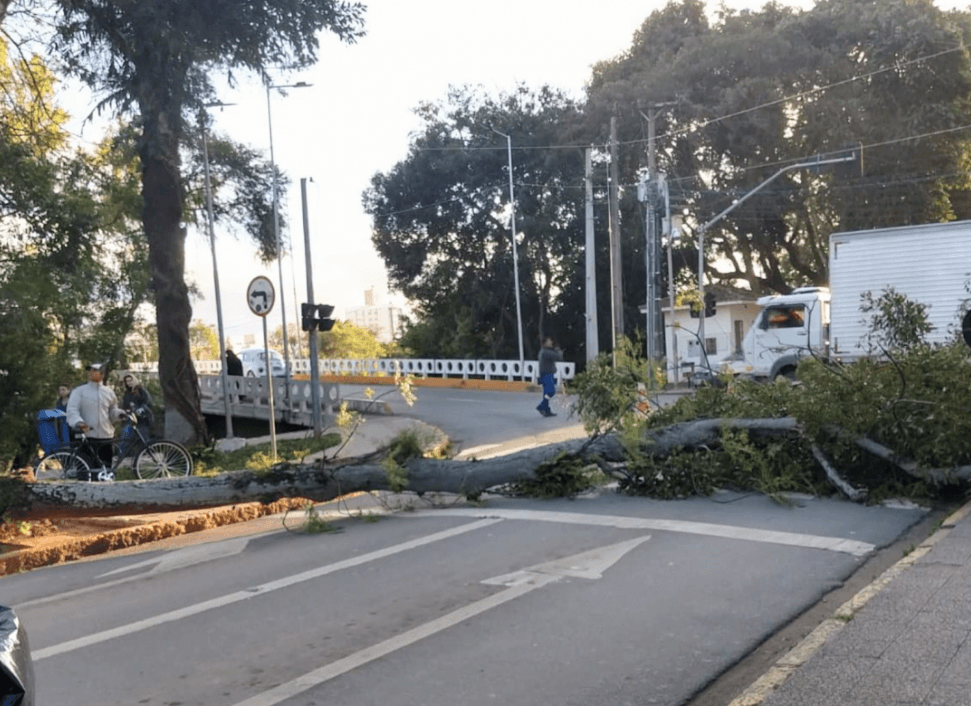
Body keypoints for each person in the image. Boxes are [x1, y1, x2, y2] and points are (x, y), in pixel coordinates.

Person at [65, 362, 127, 469]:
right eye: (90, 371)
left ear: (102, 374)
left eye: (95, 371)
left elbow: (112, 411)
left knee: (105, 469)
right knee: (85, 470)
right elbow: (72, 410)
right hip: (86, 436)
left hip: (106, 436)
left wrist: (119, 414)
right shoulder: (79, 391)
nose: (91, 373)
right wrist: (78, 422)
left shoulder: (109, 392)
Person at [536, 337, 563, 418]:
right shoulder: (546, 352)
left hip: (544, 374)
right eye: (549, 341)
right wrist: (558, 349)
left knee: (546, 393)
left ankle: (547, 410)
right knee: (551, 391)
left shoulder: (543, 351)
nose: (551, 342)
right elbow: (558, 357)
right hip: (547, 374)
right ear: (545, 343)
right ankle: (541, 406)